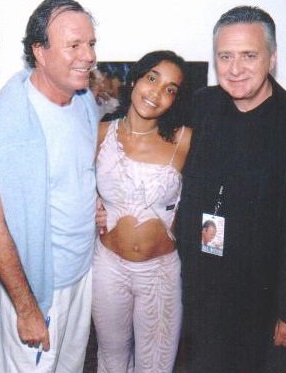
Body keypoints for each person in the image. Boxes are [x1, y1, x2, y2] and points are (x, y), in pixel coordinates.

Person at [176, 5, 286, 373]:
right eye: (225, 56)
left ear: (272, 57)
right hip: (202, 292)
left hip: (263, 303)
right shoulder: (202, 106)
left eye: (249, 55)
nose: (235, 68)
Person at [0, 0, 98, 372]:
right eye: (74, 45)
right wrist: (26, 308)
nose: (89, 56)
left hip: (81, 276)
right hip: (37, 289)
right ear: (40, 52)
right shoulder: (12, 120)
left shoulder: (84, 101)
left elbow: (77, 174)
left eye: (91, 44)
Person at [92, 50, 192, 373]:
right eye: (152, 78)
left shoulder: (184, 140)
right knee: (112, 360)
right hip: (108, 267)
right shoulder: (102, 133)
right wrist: (93, 205)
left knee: (156, 365)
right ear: (135, 80)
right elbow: (76, 185)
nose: (157, 93)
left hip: (160, 273)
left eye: (170, 89)